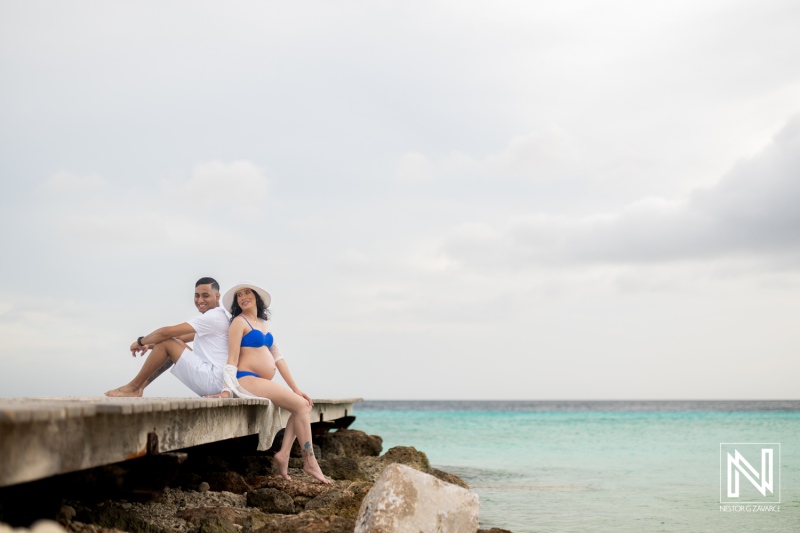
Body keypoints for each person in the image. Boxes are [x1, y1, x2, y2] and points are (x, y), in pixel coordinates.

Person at [206, 281, 329, 484]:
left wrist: (296, 389)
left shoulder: (264, 325)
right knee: (300, 407)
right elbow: (232, 358)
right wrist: (227, 389)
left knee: (302, 404)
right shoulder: (239, 322)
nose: (243, 297)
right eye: (239, 295)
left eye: (247, 293)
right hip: (246, 378)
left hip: (261, 380)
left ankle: (284, 455)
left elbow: (278, 358)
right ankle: (310, 462)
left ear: (256, 298)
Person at [105, 277, 229, 397]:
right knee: (172, 345)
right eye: (197, 295)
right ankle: (140, 387)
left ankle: (133, 387)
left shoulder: (212, 317)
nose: (200, 300)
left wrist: (140, 342)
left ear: (217, 296)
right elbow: (180, 338)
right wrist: (148, 345)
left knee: (167, 342)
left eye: (205, 295)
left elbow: (165, 333)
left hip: (212, 382)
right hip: (217, 382)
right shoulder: (218, 317)